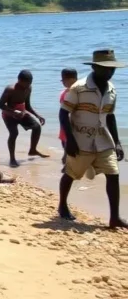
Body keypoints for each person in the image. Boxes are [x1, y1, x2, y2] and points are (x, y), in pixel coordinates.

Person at [57, 50, 125, 227]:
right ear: (95, 67)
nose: (110, 72)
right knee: (71, 173)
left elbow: (110, 116)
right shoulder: (79, 88)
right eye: (105, 68)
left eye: (112, 69)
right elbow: (64, 113)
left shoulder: (112, 89)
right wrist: (70, 140)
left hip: (103, 140)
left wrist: (117, 142)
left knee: (113, 174)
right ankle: (62, 205)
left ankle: (114, 218)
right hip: (81, 140)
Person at [0, 70, 48, 167]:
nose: (27, 85)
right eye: (26, 83)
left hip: (22, 113)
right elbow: (0, 105)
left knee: (37, 127)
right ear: (19, 80)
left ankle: (33, 150)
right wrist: (13, 112)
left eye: (30, 83)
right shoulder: (10, 89)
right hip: (9, 115)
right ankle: (12, 159)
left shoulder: (29, 88)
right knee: (14, 133)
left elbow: (28, 105)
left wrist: (38, 115)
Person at [57, 68, 79, 164]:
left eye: (63, 80)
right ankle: (68, 162)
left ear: (70, 79)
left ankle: (68, 161)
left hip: (71, 124)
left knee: (68, 145)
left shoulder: (74, 92)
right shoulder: (65, 92)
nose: (62, 82)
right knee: (65, 143)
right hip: (65, 124)